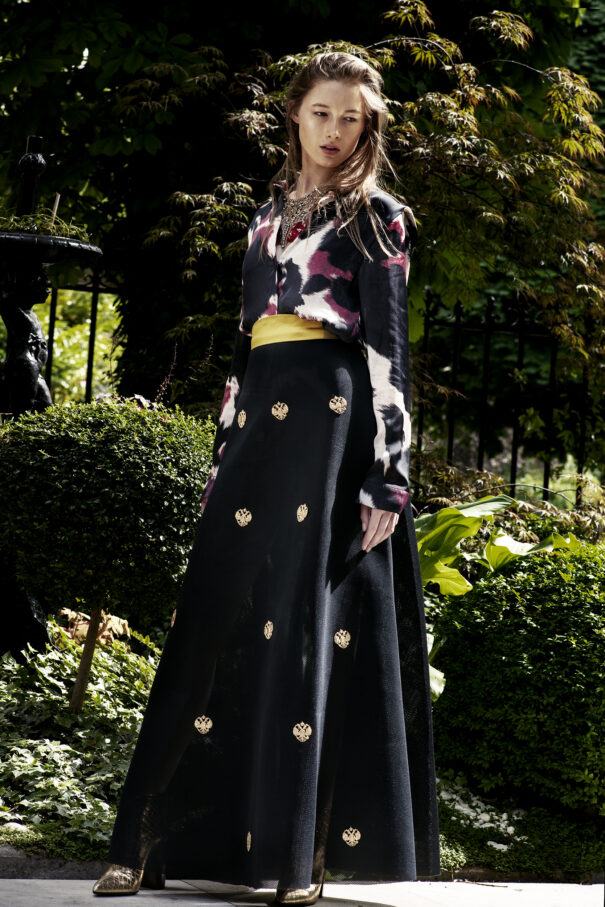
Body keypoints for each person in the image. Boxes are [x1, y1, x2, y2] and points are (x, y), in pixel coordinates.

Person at [93, 50, 440, 901]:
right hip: (255, 426)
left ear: (368, 126)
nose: (333, 130)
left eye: (350, 118)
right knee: (208, 620)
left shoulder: (377, 217)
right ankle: (137, 842)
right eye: (321, 113)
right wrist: (221, 463)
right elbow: (245, 351)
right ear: (295, 116)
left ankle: (295, 859)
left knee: (304, 627)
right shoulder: (262, 217)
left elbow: (388, 352)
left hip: (330, 432)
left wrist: (388, 479)